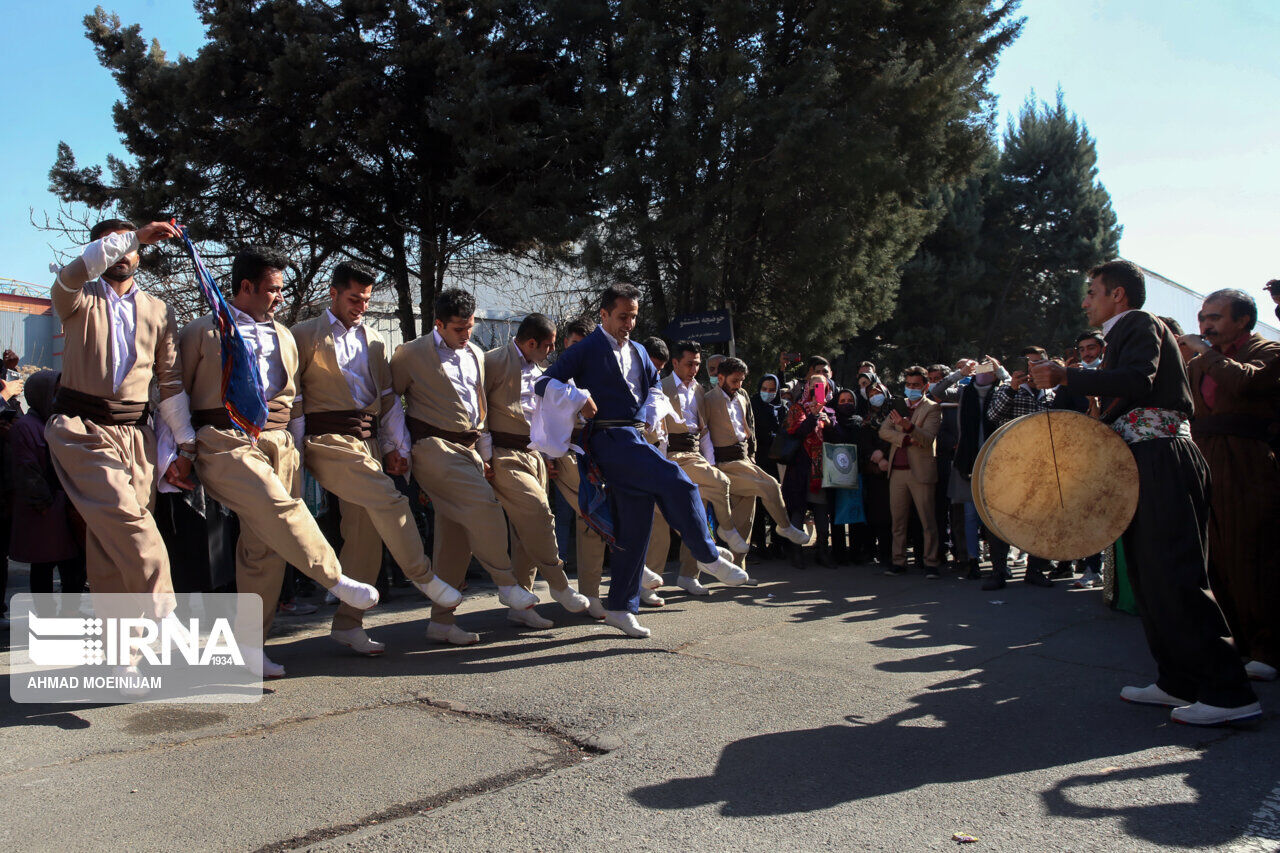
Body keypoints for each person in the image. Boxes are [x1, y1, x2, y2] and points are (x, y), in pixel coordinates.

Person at [1031, 259, 1259, 725]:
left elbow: (1139, 380)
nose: (1085, 301)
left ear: (1117, 295)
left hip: (1163, 458)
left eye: (1092, 291)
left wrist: (1067, 376)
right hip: (1142, 461)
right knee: (1150, 578)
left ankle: (1230, 693)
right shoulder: (1122, 333)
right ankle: (1178, 681)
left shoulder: (1138, 322)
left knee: (1175, 574)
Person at [176, 246, 381, 677]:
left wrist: (299, 452)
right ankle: (334, 579)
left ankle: (251, 647)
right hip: (224, 438)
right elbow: (174, 393)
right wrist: (181, 450)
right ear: (246, 287)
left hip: (280, 441)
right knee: (277, 506)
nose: (280, 298)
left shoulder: (284, 336)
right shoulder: (202, 331)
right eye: (273, 289)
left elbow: (296, 401)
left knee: (264, 546)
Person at [532, 284, 746, 637]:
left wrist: (649, 411)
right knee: (678, 481)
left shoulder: (640, 351)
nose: (628, 323)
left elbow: (655, 388)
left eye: (633, 316)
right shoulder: (586, 348)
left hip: (634, 436)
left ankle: (620, 606)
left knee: (636, 523)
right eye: (622, 316)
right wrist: (578, 397)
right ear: (604, 314)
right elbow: (544, 383)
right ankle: (707, 554)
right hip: (607, 438)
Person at [289, 262, 464, 655]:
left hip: (365, 441)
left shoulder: (375, 340)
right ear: (333, 294)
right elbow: (294, 398)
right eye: (354, 299)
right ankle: (423, 576)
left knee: (365, 534)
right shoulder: (301, 335)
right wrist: (296, 455)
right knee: (389, 498)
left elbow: (387, 401)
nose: (361, 306)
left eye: (366, 300)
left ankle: (348, 624)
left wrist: (393, 448)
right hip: (325, 439)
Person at [45, 219, 193, 616]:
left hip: (136, 437)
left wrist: (186, 446)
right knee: (126, 517)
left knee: (110, 543)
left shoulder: (160, 310)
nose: (121, 254)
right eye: (108, 246)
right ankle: (166, 609)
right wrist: (132, 236)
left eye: (128, 247)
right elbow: (74, 271)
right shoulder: (74, 296)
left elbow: (171, 382)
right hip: (81, 430)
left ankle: (124, 655)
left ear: (140, 257)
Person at [390, 288, 540, 646]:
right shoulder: (409, 354)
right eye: (458, 328)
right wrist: (396, 448)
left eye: (470, 326)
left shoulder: (475, 353)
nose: (466, 334)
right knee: (484, 505)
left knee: (454, 534)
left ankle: (441, 622)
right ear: (438, 324)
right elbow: (390, 400)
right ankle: (506, 583)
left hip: (470, 449)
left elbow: (480, 411)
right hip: (432, 447)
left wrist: (486, 456)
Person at [1181, 289, 1280, 682]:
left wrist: (1204, 353)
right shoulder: (1202, 358)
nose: (1206, 325)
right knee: (1217, 557)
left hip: (1249, 462)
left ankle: (1269, 648)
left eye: (1216, 317)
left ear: (1242, 320)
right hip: (1207, 458)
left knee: (1255, 556)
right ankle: (1235, 640)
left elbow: (1244, 383)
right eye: (1204, 316)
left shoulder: (1267, 350)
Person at [481, 313, 593, 629]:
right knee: (540, 514)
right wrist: (484, 456)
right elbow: (478, 409)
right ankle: (559, 585)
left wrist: (549, 453)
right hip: (503, 455)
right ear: (532, 342)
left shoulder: (543, 372)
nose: (551, 351)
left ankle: (522, 604)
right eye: (549, 345)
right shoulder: (492, 361)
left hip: (534, 456)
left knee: (526, 531)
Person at [644, 340, 749, 597]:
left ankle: (689, 575)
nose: (694, 369)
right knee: (660, 524)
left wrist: (709, 462)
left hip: (694, 456)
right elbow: (651, 427)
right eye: (689, 363)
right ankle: (647, 584)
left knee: (698, 513)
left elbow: (704, 433)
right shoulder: (659, 385)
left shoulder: (701, 391)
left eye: (698, 364)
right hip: (666, 456)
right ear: (676, 363)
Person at [703, 357, 810, 571]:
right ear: (721, 378)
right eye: (735, 380)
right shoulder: (708, 400)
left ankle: (737, 569)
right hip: (724, 463)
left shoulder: (742, 396)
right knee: (769, 485)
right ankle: (785, 526)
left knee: (745, 520)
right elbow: (702, 433)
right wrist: (711, 465)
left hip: (744, 459)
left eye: (742, 380)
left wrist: (751, 454)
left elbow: (749, 426)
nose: (739, 385)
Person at [7, 370, 86, 611]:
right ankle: (46, 616)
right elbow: (26, 470)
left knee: (73, 567)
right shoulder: (26, 427)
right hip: (46, 511)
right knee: (44, 566)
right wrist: (45, 505)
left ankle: (70, 614)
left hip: (67, 508)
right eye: (55, 392)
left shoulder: (61, 422)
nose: (58, 398)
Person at [547, 319, 609, 613]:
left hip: (594, 453)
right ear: (565, 346)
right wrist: (547, 457)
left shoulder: (601, 374)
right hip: (562, 455)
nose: (579, 352)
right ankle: (524, 598)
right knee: (586, 514)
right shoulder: (556, 377)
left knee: (591, 523)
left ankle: (591, 593)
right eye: (574, 345)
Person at [983, 349, 1056, 589]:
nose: (1033, 369)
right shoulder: (1006, 388)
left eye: (1038, 363)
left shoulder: (1050, 394)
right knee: (1001, 518)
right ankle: (998, 571)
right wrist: (1013, 389)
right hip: (1010, 464)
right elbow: (993, 415)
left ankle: (1035, 569)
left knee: (1041, 519)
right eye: (1029, 364)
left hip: (1041, 465)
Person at [878, 366, 941, 578]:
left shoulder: (932, 408)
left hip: (921, 471)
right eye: (908, 385)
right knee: (898, 520)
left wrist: (909, 427)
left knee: (927, 520)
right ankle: (899, 561)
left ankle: (931, 562)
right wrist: (905, 438)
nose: (911, 388)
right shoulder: (899, 406)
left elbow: (928, 438)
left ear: (925, 386)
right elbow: (884, 431)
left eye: (915, 385)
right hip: (897, 471)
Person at [781, 372, 840, 567]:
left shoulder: (830, 411)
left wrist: (827, 421)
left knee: (822, 510)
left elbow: (838, 436)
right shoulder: (797, 409)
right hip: (800, 469)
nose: (817, 390)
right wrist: (813, 416)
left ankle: (823, 551)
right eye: (814, 386)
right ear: (807, 387)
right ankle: (796, 553)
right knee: (797, 510)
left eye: (821, 386)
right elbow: (796, 432)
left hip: (822, 470)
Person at [750, 373, 786, 556]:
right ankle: (759, 544)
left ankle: (778, 544)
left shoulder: (782, 408)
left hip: (777, 463)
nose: (768, 393)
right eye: (764, 389)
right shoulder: (752, 405)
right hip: (758, 460)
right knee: (758, 504)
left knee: (776, 501)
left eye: (772, 390)